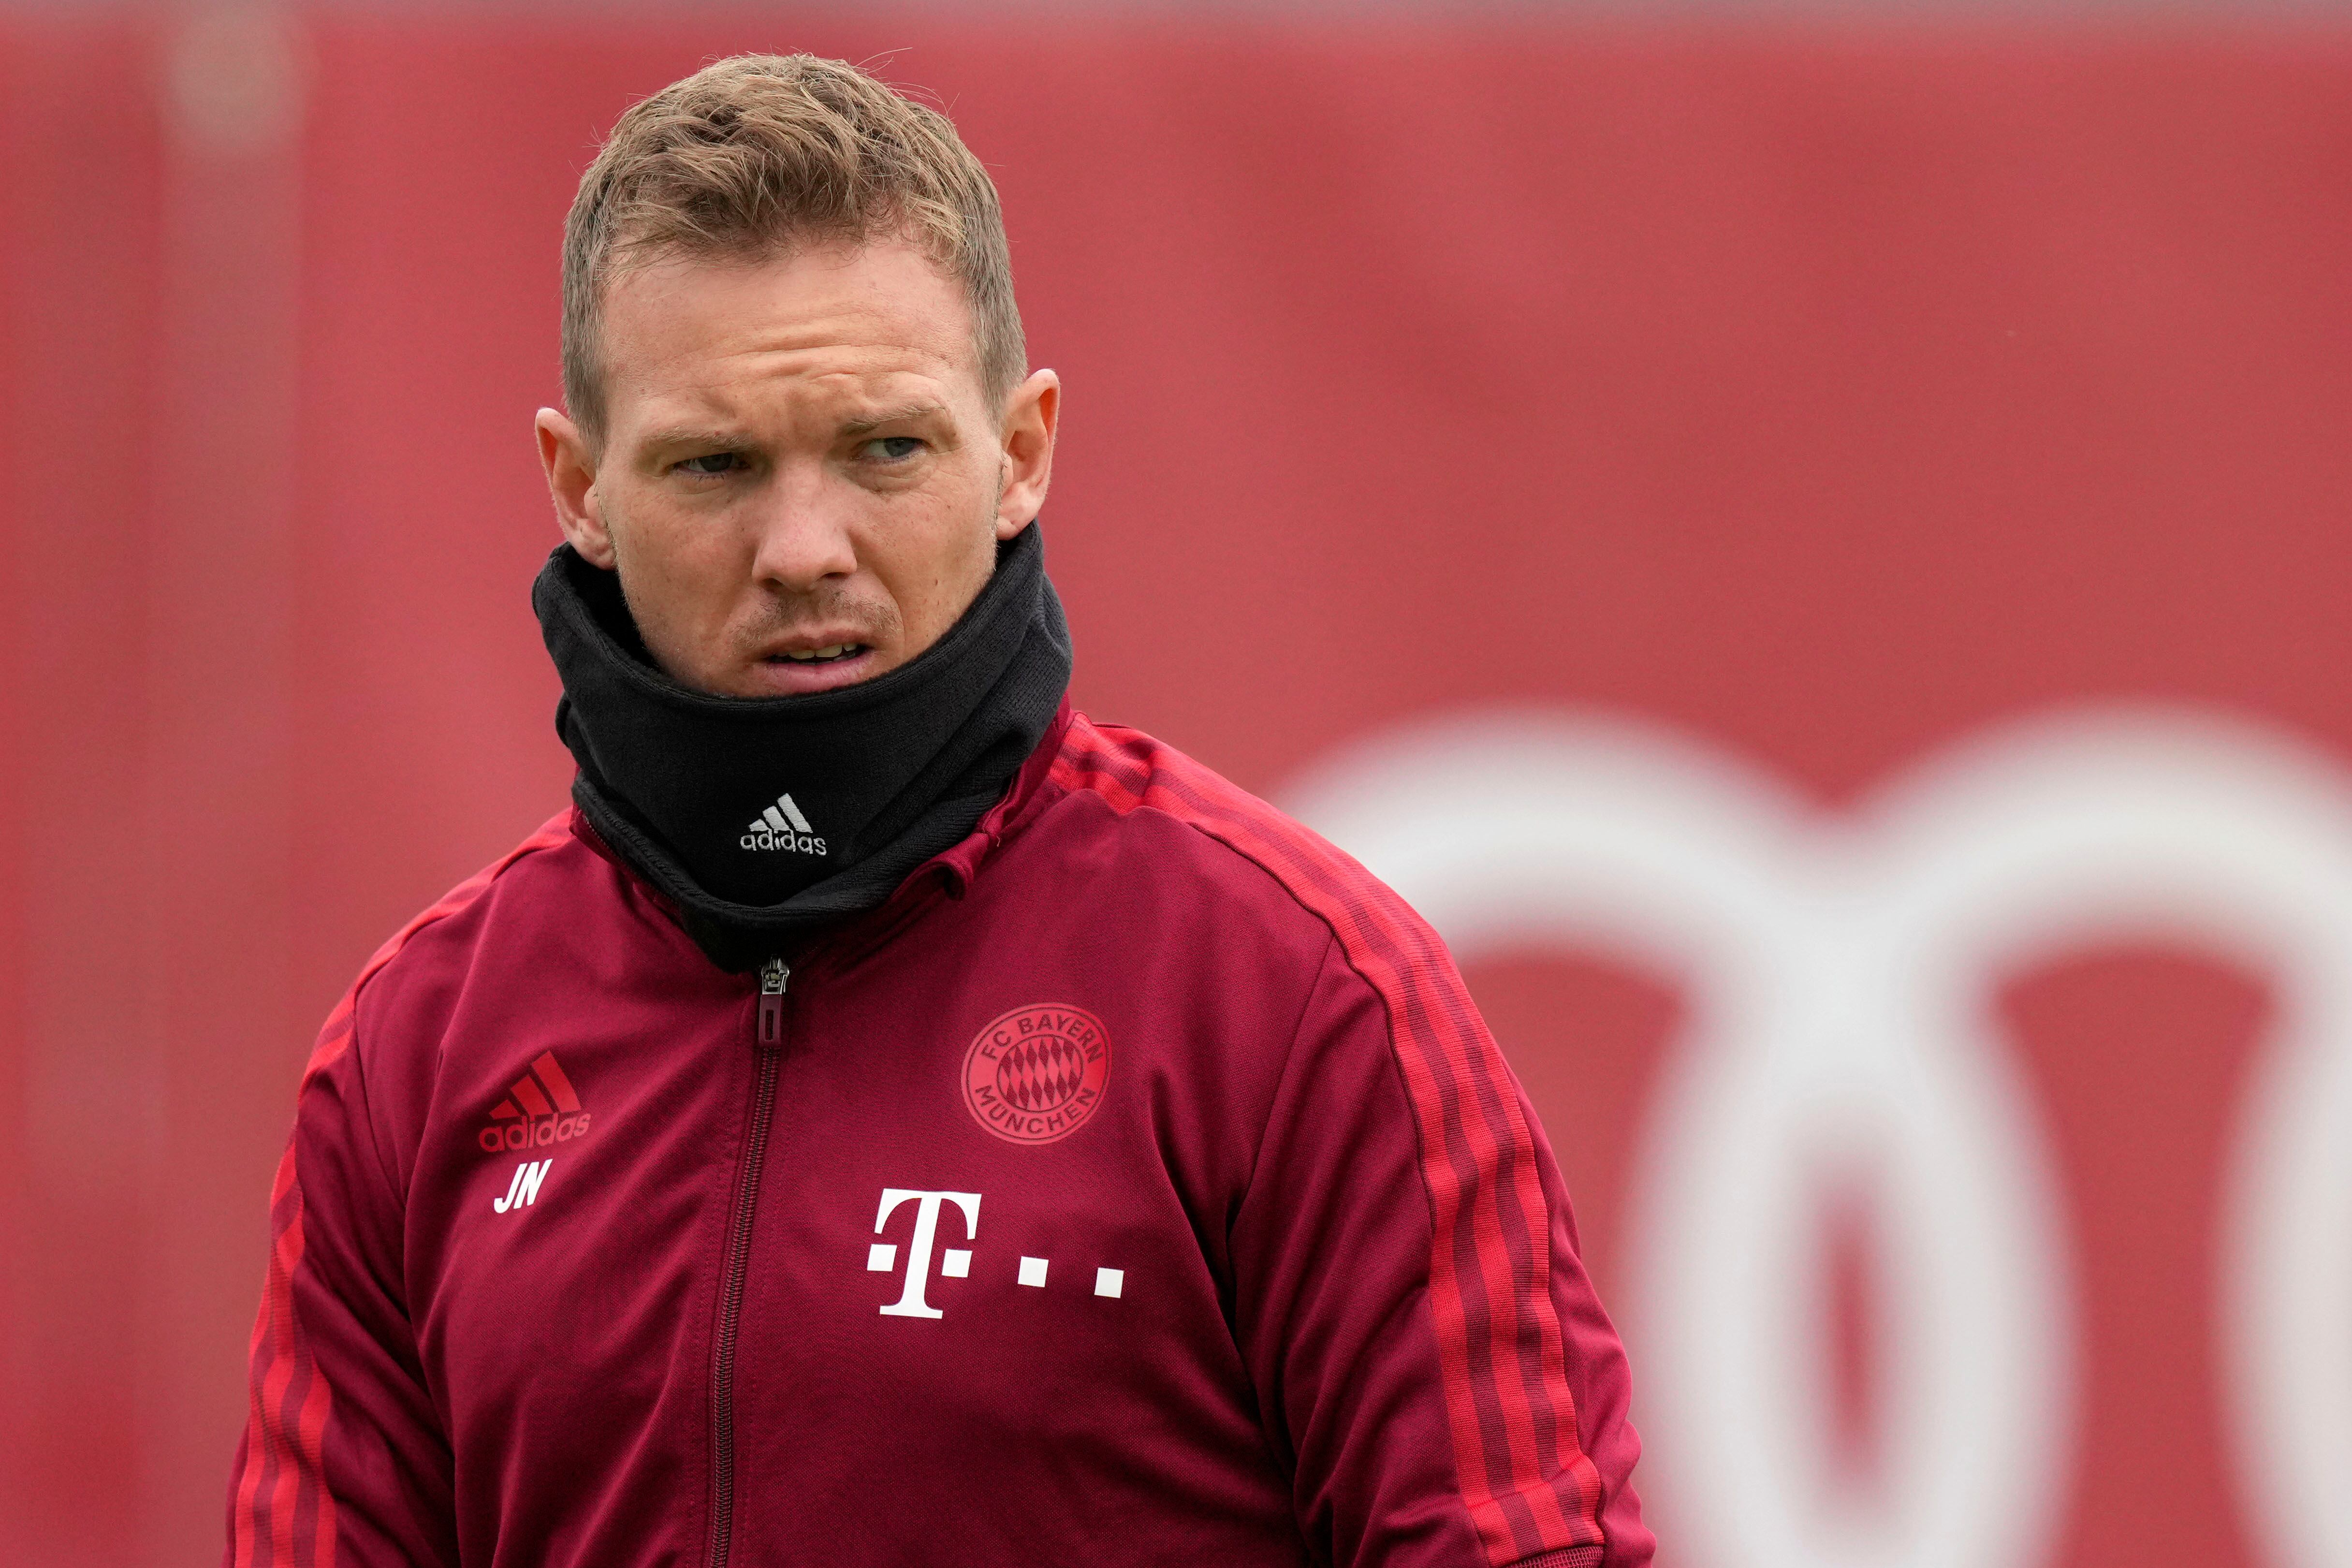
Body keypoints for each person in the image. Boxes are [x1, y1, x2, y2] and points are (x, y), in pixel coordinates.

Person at [225, 53, 1652, 1568]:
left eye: (883, 449)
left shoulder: (1293, 991)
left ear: (1019, 452)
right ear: (580, 486)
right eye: (713, 465)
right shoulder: (416, 1052)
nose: (801, 545)